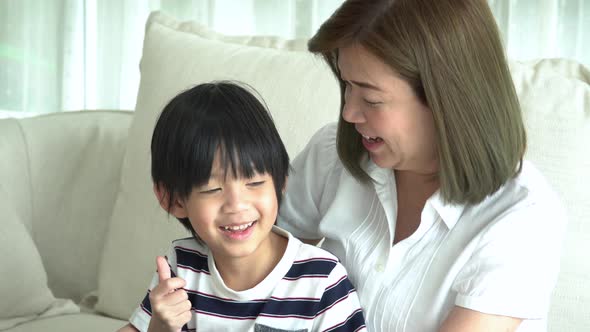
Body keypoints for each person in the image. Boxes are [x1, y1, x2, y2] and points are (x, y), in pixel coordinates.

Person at [277, 0, 566, 331]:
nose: (349, 113)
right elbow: (245, 260)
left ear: (447, 99)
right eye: (347, 87)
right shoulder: (332, 156)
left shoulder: (523, 220)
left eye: (372, 100)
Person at [117, 81, 366, 332]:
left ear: (281, 182)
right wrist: (159, 327)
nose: (237, 205)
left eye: (255, 182)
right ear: (173, 199)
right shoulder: (181, 267)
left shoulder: (321, 279)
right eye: (213, 189)